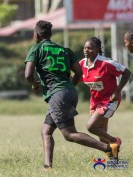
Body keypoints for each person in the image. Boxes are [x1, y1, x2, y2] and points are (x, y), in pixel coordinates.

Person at [24, 20, 120, 171]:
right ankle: (48, 166)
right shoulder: (64, 50)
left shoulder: (36, 48)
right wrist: (68, 87)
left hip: (57, 95)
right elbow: (79, 73)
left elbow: (28, 75)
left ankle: (108, 148)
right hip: (68, 92)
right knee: (46, 131)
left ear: (36, 35)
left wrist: (35, 84)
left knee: (69, 134)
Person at [79, 37, 131, 146]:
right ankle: (113, 159)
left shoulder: (106, 63)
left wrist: (117, 91)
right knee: (102, 137)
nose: (86, 50)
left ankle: (114, 141)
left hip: (110, 100)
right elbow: (76, 78)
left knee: (91, 126)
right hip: (95, 101)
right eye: (85, 48)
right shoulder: (82, 64)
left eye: (90, 48)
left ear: (98, 49)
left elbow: (127, 72)